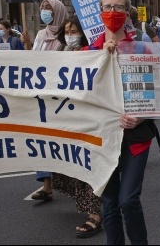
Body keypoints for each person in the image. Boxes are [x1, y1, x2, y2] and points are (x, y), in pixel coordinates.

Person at [83, 0, 157, 245]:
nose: (112, 12)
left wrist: (141, 116)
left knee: (128, 199)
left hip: (135, 137)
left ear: (127, 13)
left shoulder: (142, 46)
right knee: (110, 202)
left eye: (118, 7)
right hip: (102, 137)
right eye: (107, 7)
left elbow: (154, 94)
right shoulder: (87, 52)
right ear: (100, 11)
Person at [51, 15, 102, 238]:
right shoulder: (61, 52)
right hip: (67, 118)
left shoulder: (95, 52)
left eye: (75, 31)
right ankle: (91, 206)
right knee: (75, 164)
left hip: (89, 120)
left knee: (89, 165)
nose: (71, 36)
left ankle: (95, 215)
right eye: (68, 32)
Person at [21, 0, 68, 200]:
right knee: (42, 138)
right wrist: (27, 46)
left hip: (62, 95)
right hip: (42, 94)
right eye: (42, 8)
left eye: (48, 8)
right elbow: (33, 61)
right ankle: (46, 185)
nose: (44, 12)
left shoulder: (69, 33)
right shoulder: (41, 34)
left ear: (57, 11)